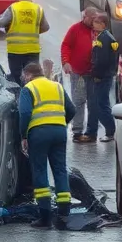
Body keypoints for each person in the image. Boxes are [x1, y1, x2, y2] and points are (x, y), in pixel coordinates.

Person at [18, 61, 74, 229]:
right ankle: (64, 213)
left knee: (40, 170)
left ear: (28, 75)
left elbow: (25, 112)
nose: (23, 79)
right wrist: (59, 123)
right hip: (59, 132)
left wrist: (23, 135)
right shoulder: (56, 86)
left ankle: (45, 217)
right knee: (60, 169)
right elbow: (71, 109)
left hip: (38, 134)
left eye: (23, 76)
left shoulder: (28, 89)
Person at [0, 0, 49, 83]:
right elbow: (46, 27)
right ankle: (31, 95)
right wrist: (34, 31)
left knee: (16, 78)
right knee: (33, 78)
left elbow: (0, 23)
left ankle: (20, 96)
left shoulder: (13, 8)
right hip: (33, 50)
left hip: (15, 50)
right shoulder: (38, 9)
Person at [60, 7, 97, 143]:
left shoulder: (98, 30)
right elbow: (66, 45)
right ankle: (77, 131)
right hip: (78, 73)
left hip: (93, 74)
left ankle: (92, 132)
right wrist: (66, 62)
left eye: (95, 18)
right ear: (85, 17)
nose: (94, 21)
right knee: (78, 101)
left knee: (93, 102)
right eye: (91, 18)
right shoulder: (75, 29)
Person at [83, 13, 119, 143]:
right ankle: (110, 130)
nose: (94, 24)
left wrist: (97, 75)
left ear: (103, 24)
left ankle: (110, 131)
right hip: (106, 75)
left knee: (101, 104)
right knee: (102, 103)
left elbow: (102, 60)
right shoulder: (106, 37)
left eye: (97, 22)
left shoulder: (104, 38)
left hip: (102, 76)